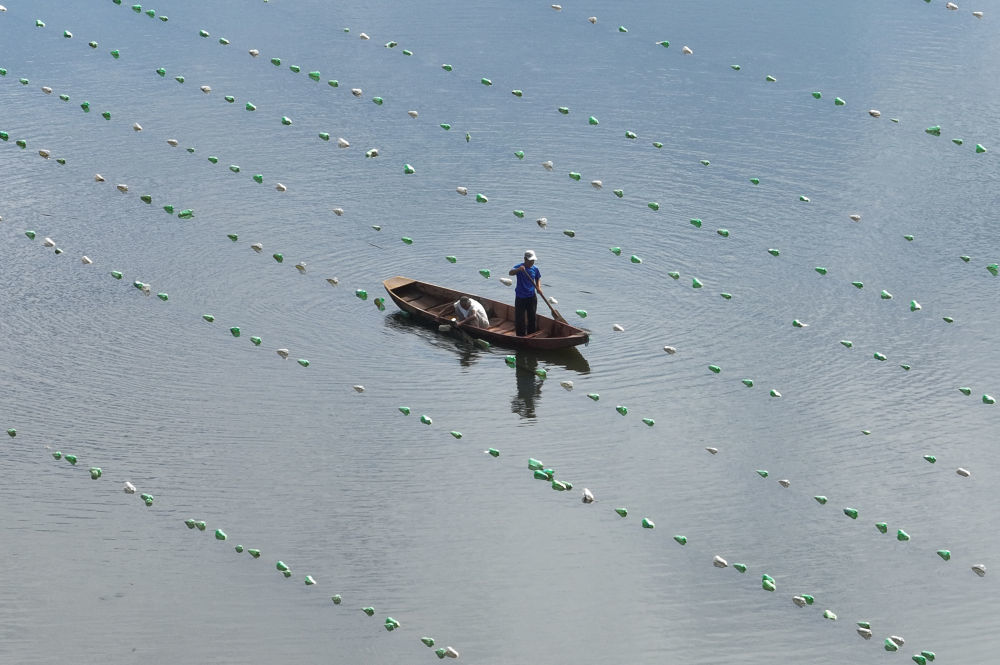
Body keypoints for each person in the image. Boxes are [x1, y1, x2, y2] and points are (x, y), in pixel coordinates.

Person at [509, 249, 543, 336]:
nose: (532, 262)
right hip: (520, 297)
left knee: (532, 317)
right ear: (525, 259)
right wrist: (518, 270)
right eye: (530, 261)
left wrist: (538, 287)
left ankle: (531, 335)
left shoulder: (535, 269)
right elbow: (510, 273)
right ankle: (520, 336)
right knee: (520, 318)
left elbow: (538, 278)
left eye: (533, 261)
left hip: (531, 296)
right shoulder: (520, 267)